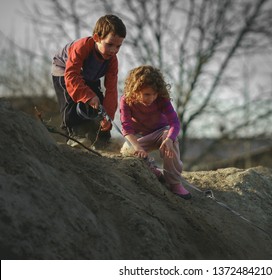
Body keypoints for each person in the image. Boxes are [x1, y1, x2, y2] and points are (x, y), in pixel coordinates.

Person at [51, 14, 126, 149]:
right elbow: (72, 75)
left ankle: (100, 138)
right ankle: (74, 135)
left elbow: (111, 90)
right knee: (72, 99)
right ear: (97, 38)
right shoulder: (82, 47)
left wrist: (108, 117)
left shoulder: (112, 60)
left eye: (118, 46)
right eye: (109, 44)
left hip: (89, 76)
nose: (113, 50)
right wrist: (88, 96)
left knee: (99, 103)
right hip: (65, 71)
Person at [119, 65, 192, 200]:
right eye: (147, 94)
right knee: (126, 153)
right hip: (140, 137)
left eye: (154, 94)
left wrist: (170, 138)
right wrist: (137, 147)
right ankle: (155, 172)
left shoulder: (162, 99)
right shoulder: (125, 100)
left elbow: (175, 123)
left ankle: (174, 182)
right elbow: (126, 128)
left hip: (160, 133)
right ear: (135, 90)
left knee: (171, 138)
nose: (151, 98)